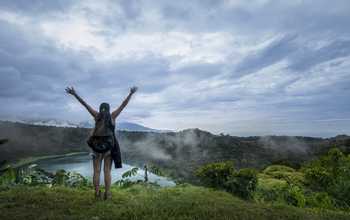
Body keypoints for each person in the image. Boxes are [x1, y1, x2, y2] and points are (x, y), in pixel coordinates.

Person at [65, 86, 138, 200]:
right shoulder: (113, 116)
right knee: (107, 171)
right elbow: (123, 105)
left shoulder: (96, 115)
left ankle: (97, 193)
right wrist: (131, 93)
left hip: (96, 148)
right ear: (108, 109)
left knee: (96, 171)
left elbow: (85, 104)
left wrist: (74, 94)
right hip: (109, 148)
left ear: (100, 109)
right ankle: (107, 194)